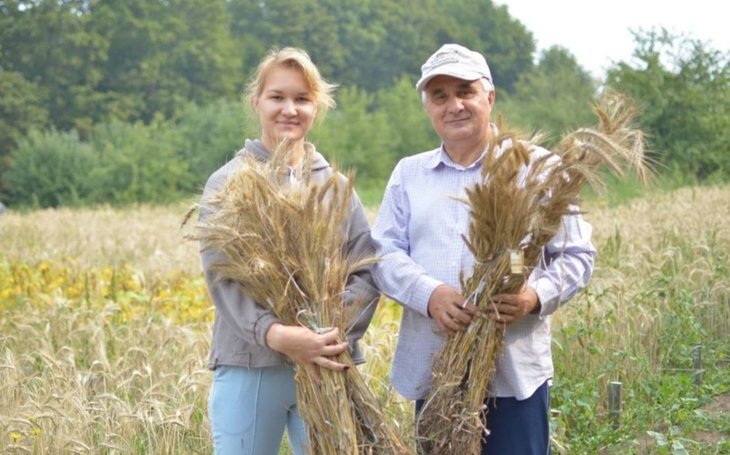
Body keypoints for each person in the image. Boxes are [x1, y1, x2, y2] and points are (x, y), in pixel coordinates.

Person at [371, 43, 597, 454]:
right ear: (428, 108)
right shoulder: (409, 174)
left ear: (488, 97)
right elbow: (383, 254)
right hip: (435, 371)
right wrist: (430, 295)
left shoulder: (540, 169)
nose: (453, 105)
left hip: (513, 376)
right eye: (440, 96)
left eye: (465, 91)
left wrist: (532, 296)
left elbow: (578, 256)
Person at [200, 47, 379, 455]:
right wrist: (277, 335)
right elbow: (222, 278)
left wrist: (327, 337)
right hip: (252, 364)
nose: (289, 109)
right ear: (256, 102)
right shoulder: (228, 183)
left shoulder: (336, 186)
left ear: (317, 106)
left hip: (328, 366)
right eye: (277, 97)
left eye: (302, 98)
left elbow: (365, 270)